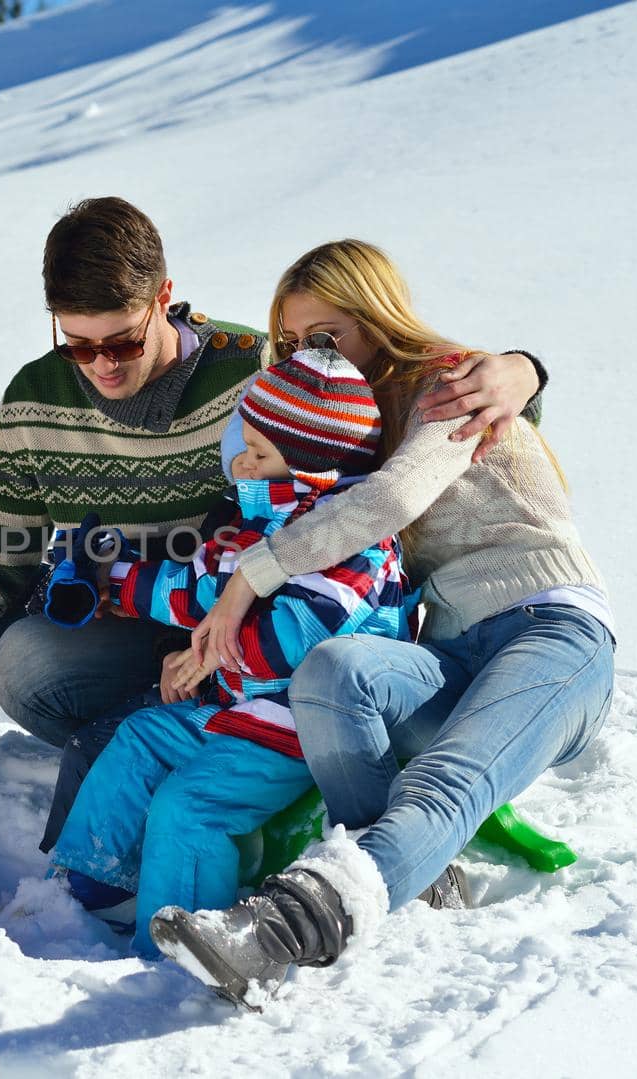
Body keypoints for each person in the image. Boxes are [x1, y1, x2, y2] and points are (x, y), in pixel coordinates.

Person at [0, 199, 545, 878]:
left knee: (32, 661)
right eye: (78, 344)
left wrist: (521, 374)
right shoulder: (36, 401)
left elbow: (376, 409)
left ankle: (171, 752)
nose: (100, 364)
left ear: (164, 298)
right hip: (106, 589)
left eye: (122, 341)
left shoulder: (256, 371)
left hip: (211, 624)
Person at [149, 239, 615, 1008]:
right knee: (334, 670)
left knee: (443, 779)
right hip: (451, 649)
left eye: (328, 335)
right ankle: (418, 879)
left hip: (553, 631)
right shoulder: (344, 423)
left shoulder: (446, 386)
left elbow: (391, 503)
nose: (310, 355)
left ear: (376, 317)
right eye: (294, 342)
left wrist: (251, 579)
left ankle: (278, 932)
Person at [48, 349, 411, 957]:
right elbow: (195, 593)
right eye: (246, 443)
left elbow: (293, 640)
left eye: (261, 453)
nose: (241, 460)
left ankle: (179, 942)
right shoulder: (247, 529)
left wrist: (210, 651)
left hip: (298, 728)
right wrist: (116, 582)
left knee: (191, 806)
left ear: (314, 467)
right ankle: (91, 882)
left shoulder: (355, 546)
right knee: (137, 737)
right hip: (235, 714)